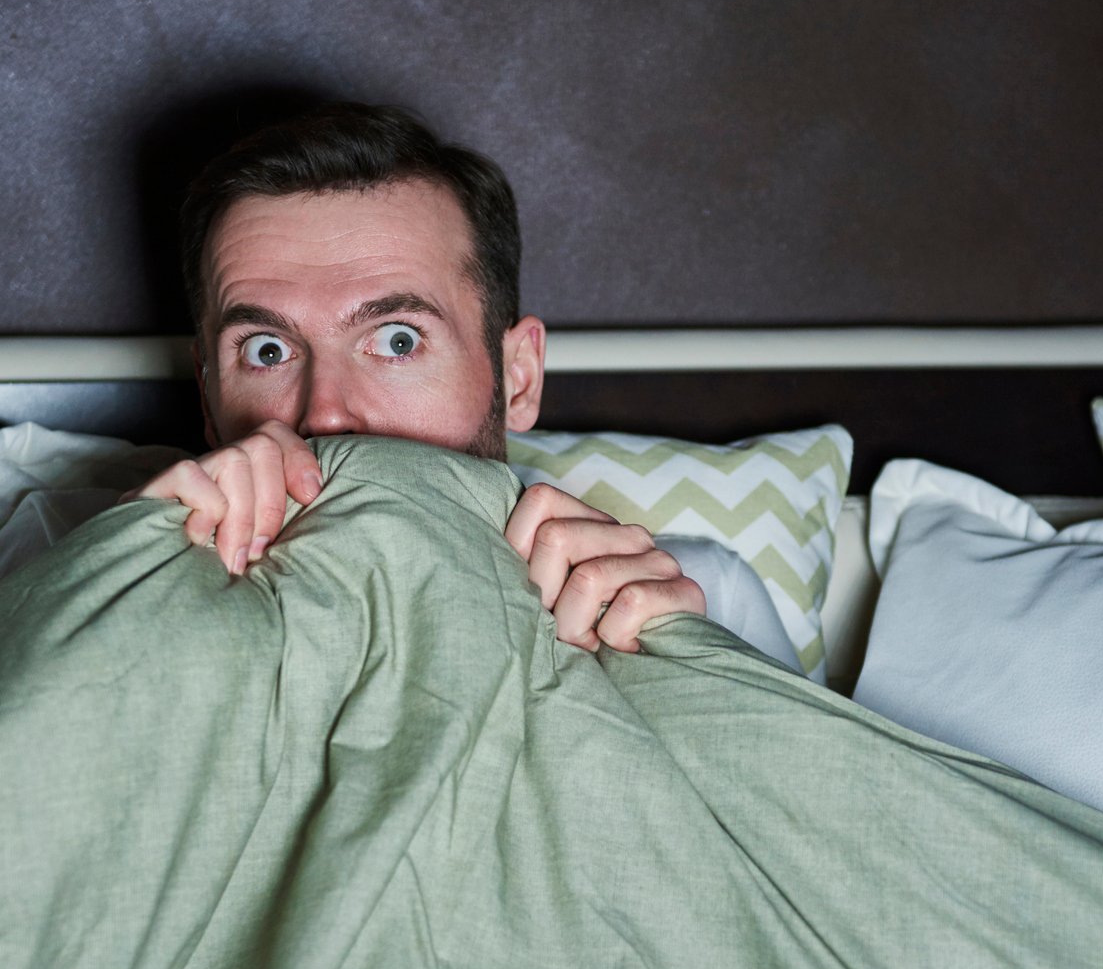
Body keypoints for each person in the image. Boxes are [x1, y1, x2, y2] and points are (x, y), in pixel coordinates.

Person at [82, 102, 797, 666]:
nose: (326, 416)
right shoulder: (70, 563)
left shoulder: (693, 595)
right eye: (267, 350)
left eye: (397, 340)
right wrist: (124, 587)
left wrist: (685, 676)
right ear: (209, 397)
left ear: (517, 376)